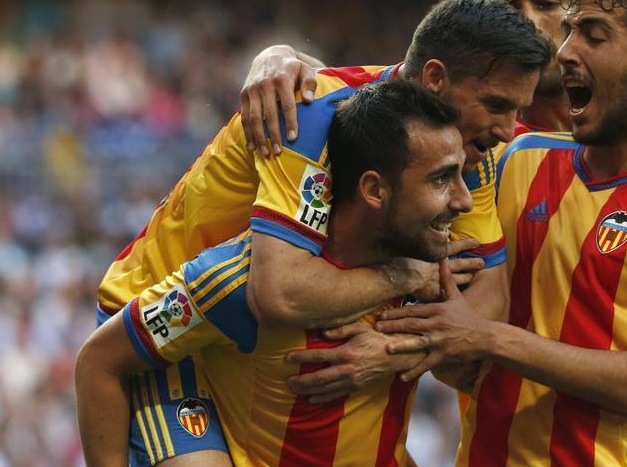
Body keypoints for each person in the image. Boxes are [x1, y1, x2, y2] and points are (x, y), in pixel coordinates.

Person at [92, 0, 551, 466]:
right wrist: (410, 276)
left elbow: (486, 300)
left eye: (516, 110)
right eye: (496, 105)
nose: (506, 129)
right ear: (434, 78)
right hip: (163, 320)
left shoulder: (460, 152)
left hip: (241, 340)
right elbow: (280, 292)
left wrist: (398, 349)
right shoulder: (312, 112)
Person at [373, 0, 627, 464]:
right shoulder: (514, 158)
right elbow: (457, 337)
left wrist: (486, 338)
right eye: (571, 31)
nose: (562, 50)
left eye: (593, 35)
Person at [243, 0, 627, 307]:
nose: (530, 24)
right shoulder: (454, 139)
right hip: (501, 433)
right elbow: (364, 91)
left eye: (546, 3)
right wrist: (279, 60)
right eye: (509, 7)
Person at [77, 80, 472, 466]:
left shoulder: (436, 262)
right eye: (441, 179)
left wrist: (404, 349)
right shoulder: (237, 281)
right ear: (374, 190)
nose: (464, 200)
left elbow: (476, 364)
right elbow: (100, 360)